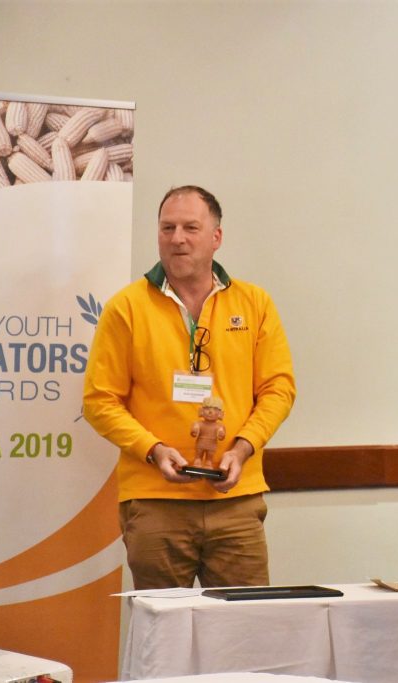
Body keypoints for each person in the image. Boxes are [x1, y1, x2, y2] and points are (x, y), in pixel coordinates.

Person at [83, 185, 295, 589]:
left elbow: (278, 388)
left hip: (235, 501)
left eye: (190, 228)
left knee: (246, 634)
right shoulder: (126, 308)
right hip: (155, 500)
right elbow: (99, 401)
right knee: (164, 639)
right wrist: (153, 450)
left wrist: (243, 446)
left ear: (216, 237)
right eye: (167, 228)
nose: (177, 238)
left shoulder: (255, 304)